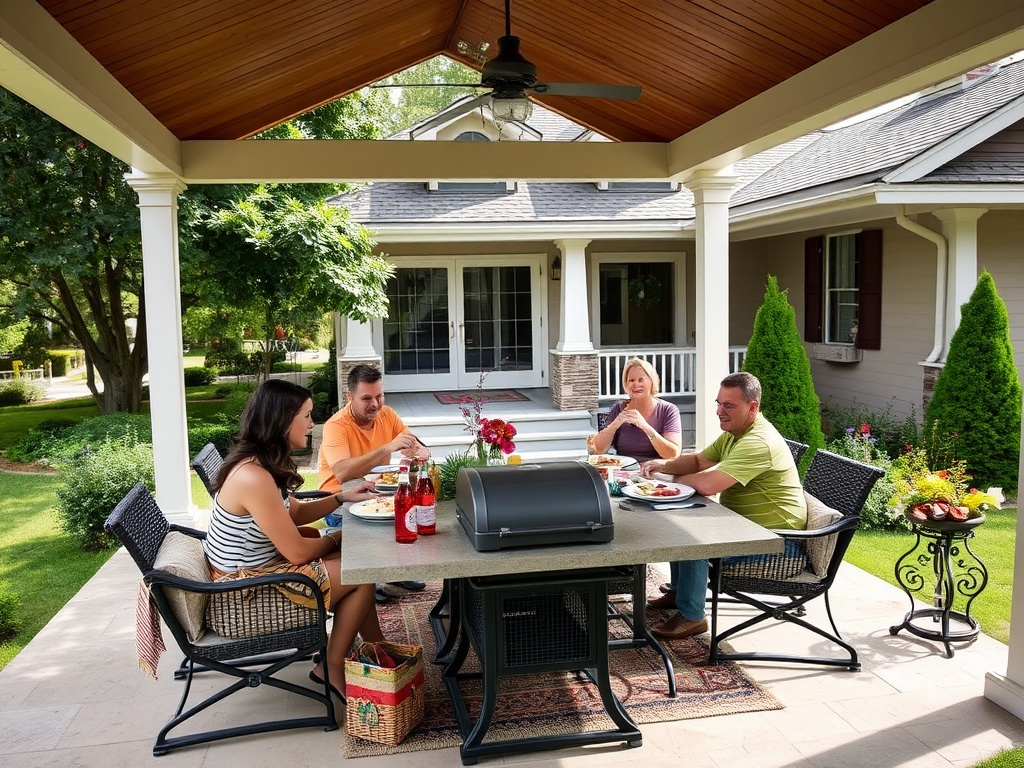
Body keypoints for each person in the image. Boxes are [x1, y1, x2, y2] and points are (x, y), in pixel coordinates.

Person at [205, 379, 382, 701]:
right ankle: (331, 666)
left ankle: (381, 656)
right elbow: (298, 552)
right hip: (242, 596)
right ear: (282, 419)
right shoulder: (253, 477)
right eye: (307, 415)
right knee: (361, 573)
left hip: (258, 575)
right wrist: (337, 539)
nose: (312, 423)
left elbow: (295, 512)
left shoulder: (262, 465)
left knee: (357, 566)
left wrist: (342, 498)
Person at [640, 372, 807, 639]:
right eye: (718, 403)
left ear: (752, 407)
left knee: (695, 541)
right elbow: (697, 462)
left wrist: (666, 479)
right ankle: (680, 593)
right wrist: (663, 465)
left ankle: (692, 617)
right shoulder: (735, 432)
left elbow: (707, 484)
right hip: (748, 530)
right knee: (679, 521)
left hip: (778, 545)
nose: (719, 411)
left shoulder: (757, 442)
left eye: (728, 406)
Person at [317, 363, 429, 595]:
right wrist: (387, 447)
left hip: (375, 494)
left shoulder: (386, 414)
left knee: (412, 507)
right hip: (337, 500)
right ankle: (372, 578)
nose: (376, 404)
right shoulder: (336, 426)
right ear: (350, 397)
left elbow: (413, 444)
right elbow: (342, 473)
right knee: (387, 516)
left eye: (379, 396)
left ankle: (395, 572)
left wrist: (418, 451)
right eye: (367, 398)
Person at [593, 357, 682, 462]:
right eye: (631, 380)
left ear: (652, 382)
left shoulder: (668, 410)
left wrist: (645, 427)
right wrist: (614, 425)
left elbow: (673, 454)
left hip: (656, 472)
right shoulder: (618, 408)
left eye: (641, 380)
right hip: (624, 471)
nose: (636, 384)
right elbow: (598, 449)